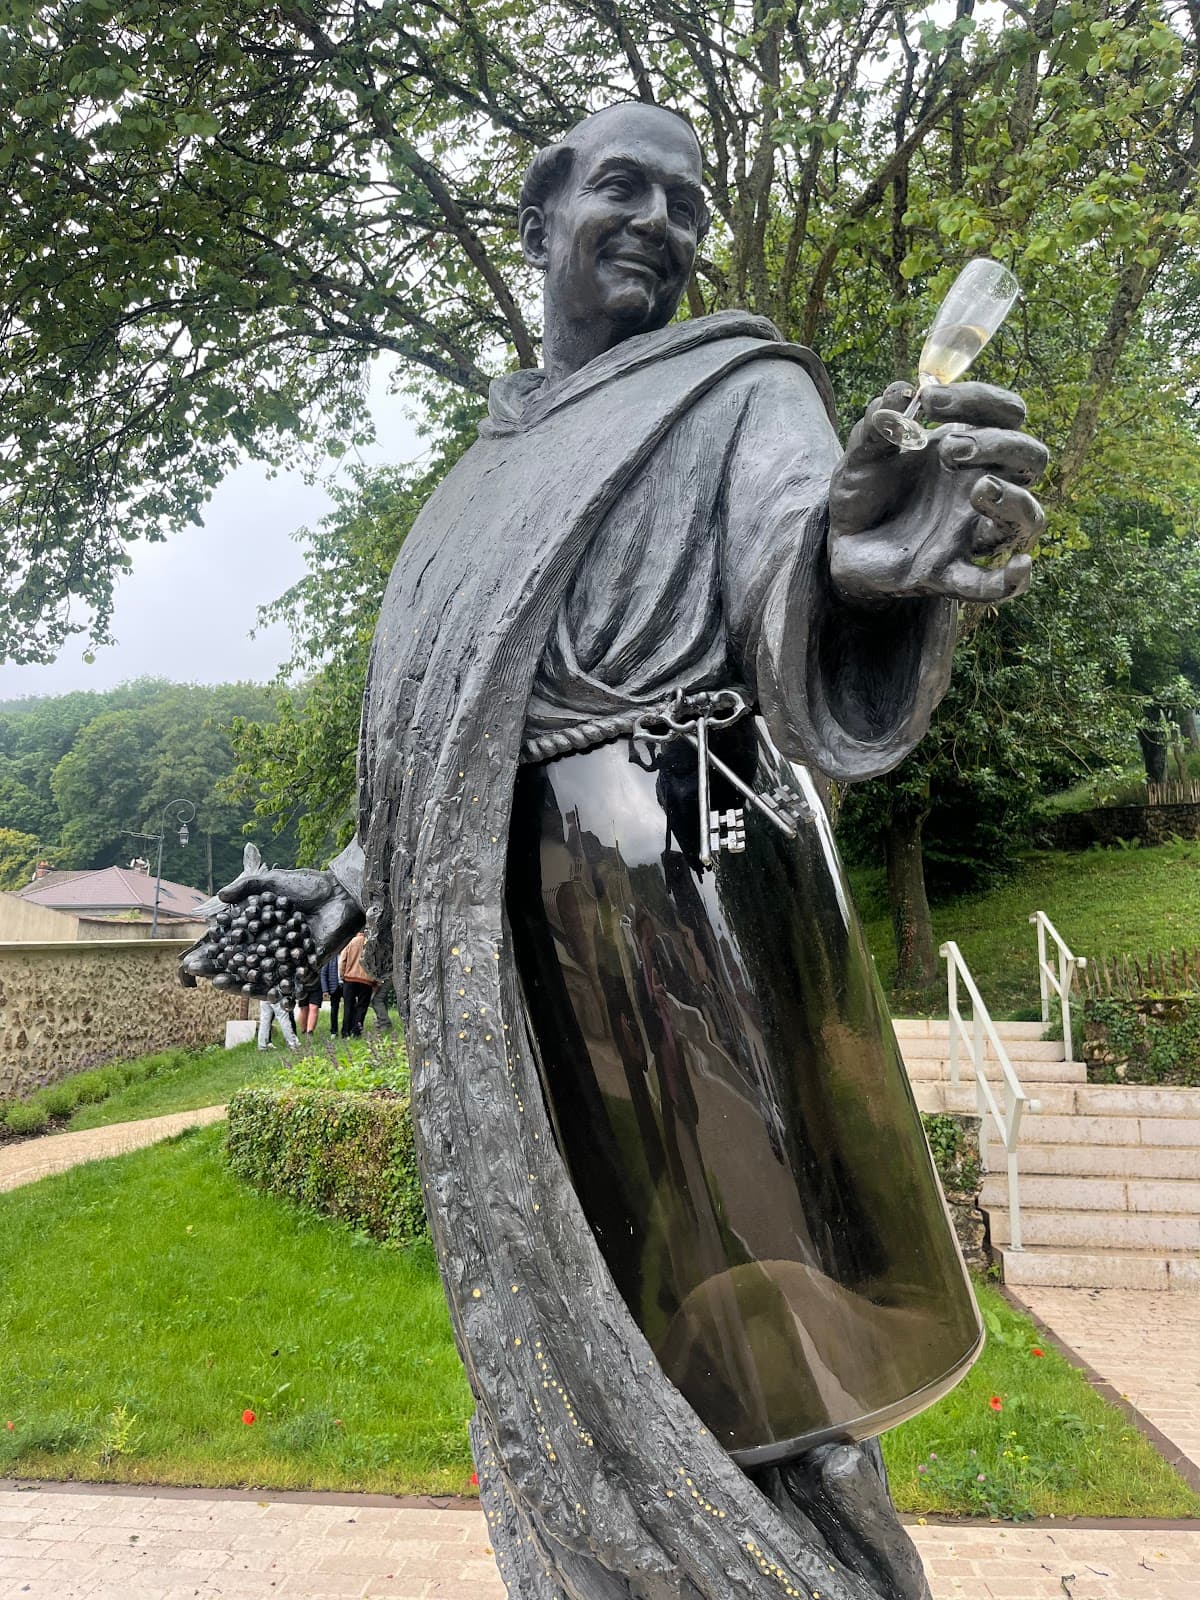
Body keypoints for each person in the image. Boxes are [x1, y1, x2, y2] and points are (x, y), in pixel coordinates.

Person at [184, 103, 1046, 1600]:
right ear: (541, 219)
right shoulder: (471, 493)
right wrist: (343, 883)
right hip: (533, 951)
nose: (663, 220)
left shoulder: (738, 385)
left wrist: (859, 555)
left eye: (688, 201)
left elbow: (798, 536)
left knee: (779, 1345)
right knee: (603, 1318)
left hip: (704, 872)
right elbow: (452, 742)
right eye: (623, 188)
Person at [338, 929, 377, 1037]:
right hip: (366, 980)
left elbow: (342, 960)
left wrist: (342, 975)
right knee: (362, 1007)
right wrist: (375, 980)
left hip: (350, 979)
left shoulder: (350, 942)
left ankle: (345, 1032)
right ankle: (356, 1031)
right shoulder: (371, 944)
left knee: (348, 1006)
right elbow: (376, 963)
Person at [320, 953, 342, 1038]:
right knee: (334, 1010)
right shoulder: (330, 956)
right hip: (334, 986)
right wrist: (325, 990)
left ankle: (347, 1030)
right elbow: (323, 973)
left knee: (350, 1008)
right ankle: (333, 1031)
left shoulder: (347, 952)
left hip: (346, 984)